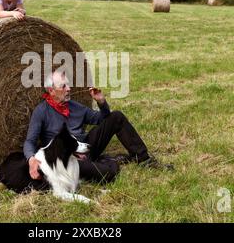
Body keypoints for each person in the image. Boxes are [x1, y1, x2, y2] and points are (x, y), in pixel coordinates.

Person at [24, 70, 174, 184]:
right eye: (63, 86)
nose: (69, 88)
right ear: (51, 90)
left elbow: (101, 119)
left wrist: (101, 102)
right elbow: (29, 141)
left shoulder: (75, 106)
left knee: (116, 116)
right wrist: (32, 160)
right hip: (68, 159)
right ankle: (110, 161)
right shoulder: (41, 111)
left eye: (68, 84)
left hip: (86, 147)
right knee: (108, 174)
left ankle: (144, 159)